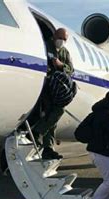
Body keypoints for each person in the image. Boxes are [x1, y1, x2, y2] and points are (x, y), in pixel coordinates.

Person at [32, 28, 74, 160]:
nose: (62, 41)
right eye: (60, 37)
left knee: (55, 115)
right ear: (54, 35)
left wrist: (61, 65)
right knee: (49, 114)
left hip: (58, 87)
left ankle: (40, 135)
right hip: (46, 86)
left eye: (65, 39)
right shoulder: (44, 46)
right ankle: (44, 144)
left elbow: (71, 70)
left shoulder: (64, 52)